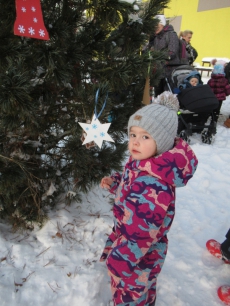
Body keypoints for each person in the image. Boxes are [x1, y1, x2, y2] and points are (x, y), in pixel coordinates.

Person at [100, 91, 198, 306]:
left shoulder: (155, 183)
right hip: (137, 251)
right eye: (133, 134)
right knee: (143, 289)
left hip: (138, 257)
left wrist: (121, 260)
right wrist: (116, 183)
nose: (135, 141)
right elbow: (131, 186)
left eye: (145, 136)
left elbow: (141, 234)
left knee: (131, 294)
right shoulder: (145, 163)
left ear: (161, 143)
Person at [147, 15, 181, 96]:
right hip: (159, 72)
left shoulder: (171, 35)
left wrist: (156, 55)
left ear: (162, 24)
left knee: (168, 95)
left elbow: (172, 52)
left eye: (157, 25)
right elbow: (147, 50)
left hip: (169, 72)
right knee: (158, 96)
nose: (155, 27)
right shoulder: (156, 37)